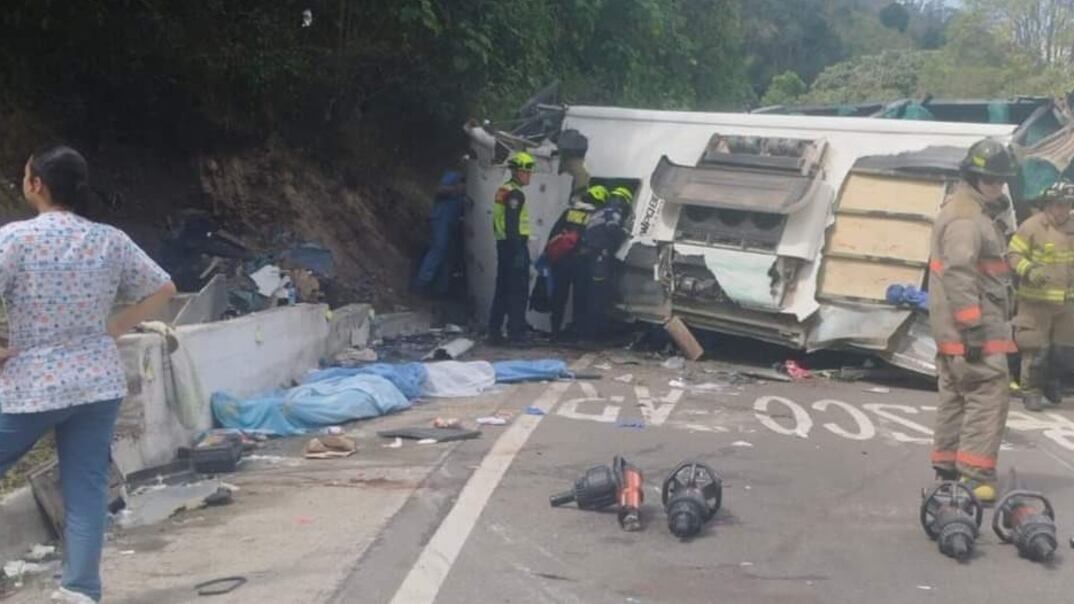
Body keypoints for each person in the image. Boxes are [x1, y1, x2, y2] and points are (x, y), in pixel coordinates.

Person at [0, 145, 177, 603]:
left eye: (25, 175)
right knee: (85, 490)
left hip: (34, 385)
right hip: (97, 382)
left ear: (36, 184)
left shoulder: (17, 238)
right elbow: (165, 287)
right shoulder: (109, 239)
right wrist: (115, 327)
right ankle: (80, 592)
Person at [928, 138, 1017, 504]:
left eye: (1001, 180)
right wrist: (974, 327)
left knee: (956, 396)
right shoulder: (967, 217)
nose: (997, 186)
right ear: (973, 176)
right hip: (974, 331)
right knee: (987, 395)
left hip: (954, 332)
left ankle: (947, 468)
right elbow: (960, 274)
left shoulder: (969, 209)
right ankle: (976, 477)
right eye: (991, 180)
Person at [1008, 180, 1074, 411]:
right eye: (1058, 205)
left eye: (1067, 205)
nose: (1062, 210)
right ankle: (1032, 391)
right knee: (1035, 350)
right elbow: (1013, 255)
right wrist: (1029, 270)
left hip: (1066, 303)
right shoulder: (1031, 227)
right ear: (1047, 204)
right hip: (1036, 302)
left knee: (1063, 351)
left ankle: (1051, 383)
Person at [543, 185, 607, 339]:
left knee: (559, 296)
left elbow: (554, 233)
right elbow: (596, 240)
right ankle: (577, 332)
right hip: (581, 261)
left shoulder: (569, 212)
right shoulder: (595, 215)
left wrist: (549, 255)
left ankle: (555, 330)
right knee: (580, 298)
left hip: (562, 260)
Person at [488, 151, 535, 345]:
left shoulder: (504, 190)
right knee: (518, 291)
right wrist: (518, 251)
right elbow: (511, 222)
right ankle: (516, 334)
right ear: (516, 172)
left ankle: (495, 331)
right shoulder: (515, 193)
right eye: (526, 172)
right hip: (514, 246)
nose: (529, 176)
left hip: (504, 245)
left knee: (503, 289)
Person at [578, 186, 633, 341]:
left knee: (590, 296)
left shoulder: (599, 212)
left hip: (588, 258)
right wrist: (625, 235)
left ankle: (585, 331)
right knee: (599, 297)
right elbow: (613, 230)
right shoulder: (613, 213)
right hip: (600, 259)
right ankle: (593, 334)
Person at [414, 170, 466, 297]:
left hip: (451, 223)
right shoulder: (454, 175)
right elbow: (440, 190)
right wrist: (457, 190)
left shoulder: (470, 186)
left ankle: (440, 290)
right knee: (438, 250)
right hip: (441, 219)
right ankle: (421, 284)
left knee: (448, 255)